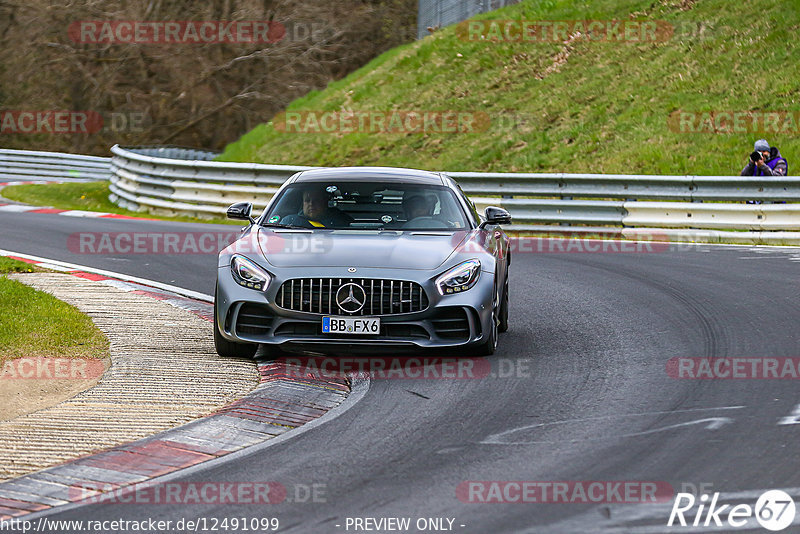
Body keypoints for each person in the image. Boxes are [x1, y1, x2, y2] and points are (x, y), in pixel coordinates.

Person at [281, 187, 353, 228]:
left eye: (316, 200)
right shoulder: (289, 222)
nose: (311, 204)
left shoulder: (341, 220)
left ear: (325, 203)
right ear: (302, 203)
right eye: (307, 200)